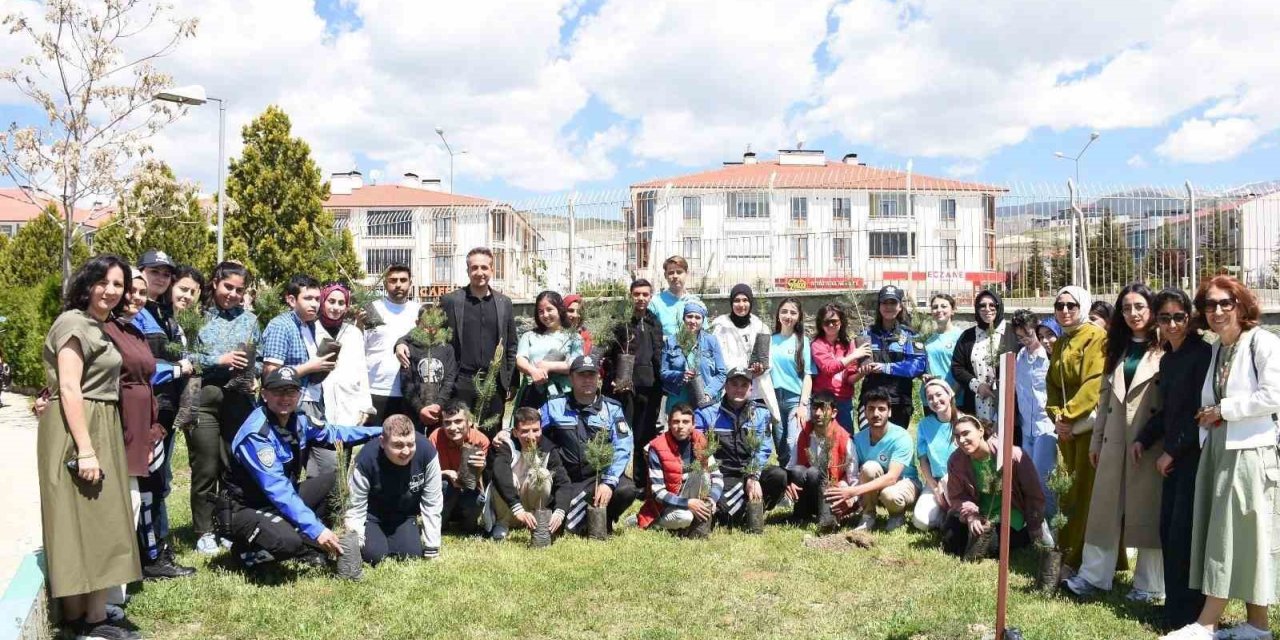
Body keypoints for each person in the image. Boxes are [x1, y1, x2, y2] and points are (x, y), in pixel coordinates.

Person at [1160, 277, 1280, 640]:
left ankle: (1206, 624)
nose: (1217, 311)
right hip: (1218, 448)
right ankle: (1257, 625)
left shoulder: (1263, 342)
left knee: (1230, 536)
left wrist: (1224, 410)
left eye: (1226, 302)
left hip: (1249, 451)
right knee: (1241, 537)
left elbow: (1273, 395)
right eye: (1209, 305)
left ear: (1242, 305)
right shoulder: (1217, 349)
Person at [38, 255, 141, 640]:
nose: (111, 291)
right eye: (104, 282)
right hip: (79, 427)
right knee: (80, 518)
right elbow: (68, 387)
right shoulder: (73, 323)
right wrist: (85, 448)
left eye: (118, 284)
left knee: (100, 518)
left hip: (100, 423)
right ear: (87, 283)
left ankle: (87, 614)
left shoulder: (99, 325)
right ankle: (86, 619)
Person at [218, 367, 381, 567]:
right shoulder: (257, 434)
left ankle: (308, 543)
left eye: (291, 391)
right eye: (278, 392)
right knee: (288, 543)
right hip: (246, 507)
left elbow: (334, 433)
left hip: (275, 501)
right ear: (264, 394)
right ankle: (243, 555)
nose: (285, 398)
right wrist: (316, 530)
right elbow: (279, 491)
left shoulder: (299, 420)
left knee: (334, 481)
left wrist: (379, 432)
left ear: (299, 394)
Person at [1064, 284, 1166, 601]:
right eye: (1126, 308)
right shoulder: (1117, 347)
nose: (1133, 314)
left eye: (1139, 306)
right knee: (1104, 510)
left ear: (1152, 309)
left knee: (1148, 511)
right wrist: (1096, 442)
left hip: (1151, 442)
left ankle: (1149, 585)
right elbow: (1104, 399)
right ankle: (1093, 576)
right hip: (1113, 440)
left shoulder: (1166, 347)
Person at [1135, 289, 1211, 631]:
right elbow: (1169, 411)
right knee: (1169, 532)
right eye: (1165, 318)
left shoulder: (1202, 354)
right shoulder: (1168, 359)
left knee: (1185, 536)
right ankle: (1174, 610)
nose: (1172, 324)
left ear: (1190, 317)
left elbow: (1200, 413)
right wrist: (1144, 438)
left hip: (1196, 456)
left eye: (1179, 316)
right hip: (1175, 457)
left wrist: (1172, 451)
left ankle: (1189, 617)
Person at [137, 264, 202, 579]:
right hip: (147, 412)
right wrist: (178, 368)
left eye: (166, 275)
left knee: (159, 482)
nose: (160, 279)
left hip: (167, 412)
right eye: (154, 273)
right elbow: (140, 367)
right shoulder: (138, 316)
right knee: (150, 483)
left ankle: (157, 550)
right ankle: (151, 556)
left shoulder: (167, 317)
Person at [190, 261, 259, 555]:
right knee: (206, 466)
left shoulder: (250, 320)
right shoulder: (196, 317)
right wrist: (219, 360)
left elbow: (260, 356)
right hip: (204, 399)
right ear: (215, 283)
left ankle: (229, 526)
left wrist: (254, 373)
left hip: (239, 400)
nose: (232, 294)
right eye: (227, 287)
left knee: (232, 466)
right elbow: (184, 356)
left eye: (239, 290)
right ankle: (204, 530)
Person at [541, 354, 639, 534]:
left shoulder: (612, 408)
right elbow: (530, 429)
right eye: (581, 375)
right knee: (564, 526)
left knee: (626, 489)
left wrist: (609, 482)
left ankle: (604, 518)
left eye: (591, 375)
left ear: (598, 378)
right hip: (566, 480)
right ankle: (585, 520)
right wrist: (507, 434)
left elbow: (622, 446)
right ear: (571, 378)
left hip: (598, 477)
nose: (587, 380)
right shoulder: (554, 405)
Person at [1046, 285, 1107, 573]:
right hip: (1066, 429)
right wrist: (1056, 416)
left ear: (1083, 306)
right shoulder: (1061, 341)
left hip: (1087, 427)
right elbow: (1051, 383)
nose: (1065, 310)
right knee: (1067, 492)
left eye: (1071, 305)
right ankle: (1065, 552)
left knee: (1085, 492)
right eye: (1060, 306)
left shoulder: (1096, 337)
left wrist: (1069, 416)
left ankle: (1079, 559)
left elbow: (1094, 381)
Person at [259, 275, 338, 477]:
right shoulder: (281, 326)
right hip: (289, 405)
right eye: (308, 298)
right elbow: (270, 374)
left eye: (317, 299)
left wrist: (322, 367)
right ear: (291, 300)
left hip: (314, 403)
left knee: (327, 467)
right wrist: (310, 367)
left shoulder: (310, 325)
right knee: (287, 467)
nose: (314, 304)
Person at [942, 415, 1049, 559]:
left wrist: (1034, 524)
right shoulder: (956, 460)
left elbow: (1033, 493)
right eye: (957, 436)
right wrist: (971, 515)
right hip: (979, 509)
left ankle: (1023, 535)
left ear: (980, 431)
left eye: (966, 433)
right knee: (951, 543)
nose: (961, 440)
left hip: (1009, 511)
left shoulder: (1012, 455)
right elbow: (957, 495)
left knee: (989, 547)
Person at [439, 247, 518, 436]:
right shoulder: (451, 301)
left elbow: (511, 345)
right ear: (468, 270)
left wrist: (510, 381)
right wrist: (401, 342)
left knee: (491, 437)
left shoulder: (504, 303)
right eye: (474, 268)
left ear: (492, 270)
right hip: (461, 382)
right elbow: (431, 333)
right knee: (459, 435)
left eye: (484, 267)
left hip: (494, 384)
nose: (479, 272)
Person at [344, 414, 443, 564]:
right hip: (372, 515)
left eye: (411, 444)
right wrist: (355, 543)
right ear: (382, 442)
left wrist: (432, 547)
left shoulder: (427, 452)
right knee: (374, 556)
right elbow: (355, 507)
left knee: (411, 555)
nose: (406, 451)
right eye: (398, 445)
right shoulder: (365, 459)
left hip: (404, 514)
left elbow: (432, 502)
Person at [696, 368, 787, 527]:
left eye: (744, 385)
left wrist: (753, 475)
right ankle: (741, 512)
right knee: (726, 516)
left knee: (779, 476)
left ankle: (755, 508)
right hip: (722, 474)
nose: (739, 389)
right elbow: (699, 449)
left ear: (751, 389)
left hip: (749, 471)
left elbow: (763, 448)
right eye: (734, 384)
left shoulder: (760, 413)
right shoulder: (707, 413)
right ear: (726, 386)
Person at [602, 278, 665, 489]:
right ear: (630, 296)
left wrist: (662, 380)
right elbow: (610, 352)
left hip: (650, 387)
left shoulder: (654, 322)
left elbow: (658, 353)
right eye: (637, 294)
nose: (641, 298)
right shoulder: (621, 321)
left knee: (644, 434)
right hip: (624, 386)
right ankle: (615, 478)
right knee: (620, 431)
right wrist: (613, 376)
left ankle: (640, 481)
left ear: (650, 296)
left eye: (645, 294)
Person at [827, 389, 919, 532]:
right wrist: (843, 488)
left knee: (889, 494)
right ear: (865, 412)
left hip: (903, 482)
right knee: (869, 468)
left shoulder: (901, 437)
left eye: (881, 409)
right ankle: (868, 515)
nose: (876, 414)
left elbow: (892, 478)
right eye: (871, 409)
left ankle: (897, 514)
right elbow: (853, 473)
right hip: (875, 486)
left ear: (889, 412)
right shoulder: (858, 439)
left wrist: (853, 492)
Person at [486, 407, 572, 541]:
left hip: (530, 504)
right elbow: (499, 471)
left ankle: (536, 520)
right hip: (510, 506)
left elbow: (564, 483)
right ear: (515, 432)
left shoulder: (548, 449)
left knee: (542, 474)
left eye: (535, 430)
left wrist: (560, 511)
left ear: (541, 429)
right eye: (525, 431)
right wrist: (517, 509)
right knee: (506, 477)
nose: (531, 437)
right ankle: (503, 523)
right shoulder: (506, 444)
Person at [638, 403, 723, 532]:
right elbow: (658, 492)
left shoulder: (700, 441)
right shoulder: (656, 448)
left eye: (686, 422)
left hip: (692, 495)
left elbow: (717, 476)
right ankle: (653, 524)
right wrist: (688, 503)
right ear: (669, 423)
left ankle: (695, 521)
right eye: (676, 422)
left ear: (693, 424)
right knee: (685, 517)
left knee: (703, 474)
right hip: (666, 505)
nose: (680, 426)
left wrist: (711, 499)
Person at [1009, 309, 1059, 521]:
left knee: (1043, 479)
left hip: (1046, 427)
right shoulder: (1020, 356)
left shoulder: (1048, 357)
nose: (1026, 341)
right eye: (1020, 337)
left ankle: (1051, 524)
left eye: (1029, 335)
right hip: (1026, 427)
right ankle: (1036, 524)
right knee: (1029, 478)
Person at [710, 283, 783, 426]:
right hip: (731, 389)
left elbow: (767, 359)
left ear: (751, 302)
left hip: (756, 390)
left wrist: (760, 368)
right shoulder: (720, 328)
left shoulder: (761, 327)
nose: (741, 305)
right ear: (731, 303)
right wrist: (740, 372)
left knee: (756, 430)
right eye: (737, 300)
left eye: (745, 300)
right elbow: (716, 358)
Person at [858, 285, 926, 430]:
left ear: (900, 306)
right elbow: (856, 362)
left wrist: (886, 368)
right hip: (870, 400)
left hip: (899, 401)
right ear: (879, 306)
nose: (889, 307)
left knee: (895, 441)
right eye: (885, 303)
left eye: (893, 303)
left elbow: (917, 366)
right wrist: (861, 368)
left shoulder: (910, 335)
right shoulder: (866, 334)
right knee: (868, 440)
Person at [785, 391, 857, 525]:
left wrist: (851, 498)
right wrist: (788, 482)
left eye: (823, 409)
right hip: (809, 490)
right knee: (798, 471)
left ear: (834, 413)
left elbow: (852, 477)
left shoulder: (844, 438)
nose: (818, 413)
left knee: (814, 472)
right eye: (814, 408)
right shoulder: (804, 433)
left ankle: (826, 517)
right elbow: (792, 465)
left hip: (833, 493)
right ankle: (800, 515)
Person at [951, 289, 1019, 426]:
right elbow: (957, 366)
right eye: (982, 305)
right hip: (976, 400)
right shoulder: (968, 336)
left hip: (1008, 402)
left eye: (992, 305)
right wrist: (977, 385)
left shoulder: (1013, 333)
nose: (987, 309)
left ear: (999, 307)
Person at [364, 264, 421, 425]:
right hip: (375, 389)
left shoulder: (419, 311)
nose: (398, 284)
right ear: (385, 283)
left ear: (410, 283)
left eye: (403, 280)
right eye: (393, 280)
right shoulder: (371, 310)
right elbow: (359, 348)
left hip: (410, 392)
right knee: (375, 438)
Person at [427, 400, 491, 535]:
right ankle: (440, 525)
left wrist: (481, 466)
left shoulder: (481, 440)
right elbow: (426, 473)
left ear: (469, 421)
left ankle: (468, 527)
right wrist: (446, 473)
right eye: (447, 422)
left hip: (468, 490)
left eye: (458, 421)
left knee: (478, 499)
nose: (452, 427)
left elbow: (478, 478)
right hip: (445, 491)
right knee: (445, 485)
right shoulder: (435, 438)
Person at [318, 282, 376, 427]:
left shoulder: (353, 333)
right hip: (319, 405)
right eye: (331, 301)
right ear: (322, 301)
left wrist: (365, 406)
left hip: (350, 404)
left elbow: (362, 371)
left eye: (341, 303)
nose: (336, 307)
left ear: (347, 306)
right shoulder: (311, 330)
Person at [770, 297, 816, 468]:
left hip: (794, 399)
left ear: (798, 317)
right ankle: (785, 479)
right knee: (781, 445)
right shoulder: (769, 340)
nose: (788, 316)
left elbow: (808, 375)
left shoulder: (802, 341)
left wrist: (803, 404)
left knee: (793, 442)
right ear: (778, 315)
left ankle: (798, 478)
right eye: (784, 312)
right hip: (774, 399)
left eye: (793, 312)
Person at [515, 291, 582, 409]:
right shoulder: (529, 336)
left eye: (549, 309)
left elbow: (577, 364)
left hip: (563, 395)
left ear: (560, 310)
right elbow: (520, 359)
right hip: (532, 394)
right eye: (541, 311)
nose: (545, 315)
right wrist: (532, 371)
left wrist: (549, 366)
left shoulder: (573, 337)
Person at [397, 304, 458, 432]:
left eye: (434, 324)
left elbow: (450, 380)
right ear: (417, 323)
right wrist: (419, 408)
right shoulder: (409, 348)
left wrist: (439, 404)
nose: (430, 329)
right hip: (414, 412)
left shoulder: (447, 349)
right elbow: (406, 382)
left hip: (440, 412)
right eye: (425, 324)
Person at [811, 303, 870, 433]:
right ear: (821, 324)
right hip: (823, 400)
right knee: (822, 438)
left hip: (844, 400)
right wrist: (854, 355)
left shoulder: (848, 345)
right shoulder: (817, 345)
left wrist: (862, 373)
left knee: (846, 438)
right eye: (826, 322)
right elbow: (828, 368)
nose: (831, 325)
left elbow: (849, 378)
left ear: (841, 322)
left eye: (834, 321)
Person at [660, 300, 726, 409]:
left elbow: (721, 373)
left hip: (704, 399)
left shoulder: (711, 341)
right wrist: (680, 375)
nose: (693, 321)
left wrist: (708, 393)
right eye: (689, 316)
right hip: (678, 399)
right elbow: (663, 372)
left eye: (697, 317)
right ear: (683, 318)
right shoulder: (671, 341)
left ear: (703, 320)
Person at [911, 379, 958, 531]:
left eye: (939, 395)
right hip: (936, 481)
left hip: (960, 481)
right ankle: (944, 515)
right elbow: (923, 459)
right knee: (921, 521)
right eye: (930, 398)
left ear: (949, 394)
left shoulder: (964, 421)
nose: (935, 400)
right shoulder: (924, 425)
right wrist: (934, 486)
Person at [921, 293, 965, 408]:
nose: (939, 310)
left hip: (954, 398)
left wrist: (952, 394)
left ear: (953, 310)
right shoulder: (929, 340)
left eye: (944, 306)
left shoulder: (961, 337)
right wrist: (924, 375)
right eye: (935, 307)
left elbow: (964, 368)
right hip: (932, 400)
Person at [649, 255, 691, 338]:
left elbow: (704, 333)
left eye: (679, 272)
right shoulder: (655, 303)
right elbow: (649, 333)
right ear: (665, 275)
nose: (675, 276)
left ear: (687, 273)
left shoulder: (694, 302)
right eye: (671, 273)